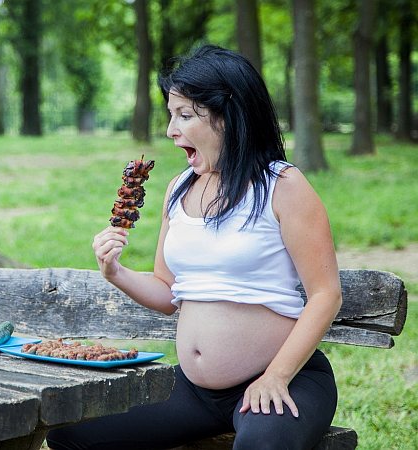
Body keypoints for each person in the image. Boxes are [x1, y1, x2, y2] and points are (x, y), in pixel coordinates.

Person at [46, 45, 341, 450]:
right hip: (194, 391)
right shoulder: (178, 189)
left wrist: (276, 375)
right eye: (171, 115)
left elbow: (326, 294)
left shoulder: (283, 187)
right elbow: (168, 292)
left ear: (230, 117)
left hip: (284, 378)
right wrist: (115, 272)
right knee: (71, 435)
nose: (171, 130)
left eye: (185, 116)